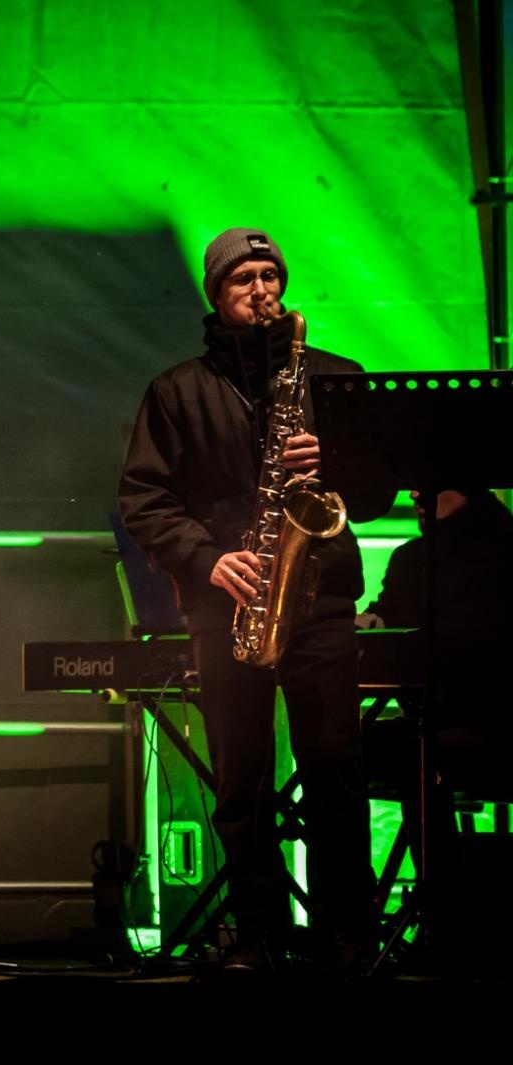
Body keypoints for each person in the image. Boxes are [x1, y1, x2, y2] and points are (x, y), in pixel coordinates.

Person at [118, 227, 376, 973]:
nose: (261, 290)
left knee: (334, 765)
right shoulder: (176, 390)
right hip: (228, 602)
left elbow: (383, 485)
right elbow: (145, 501)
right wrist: (208, 559)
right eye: (244, 279)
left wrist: (334, 462)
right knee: (241, 778)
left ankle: (346, 934)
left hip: (319, 596)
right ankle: (258, 933)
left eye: (270, 275)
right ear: (217, 294)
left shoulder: (334, 377)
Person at [359, 488, 513, 973]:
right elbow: (396, 621)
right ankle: (364, 921)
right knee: (350, 749)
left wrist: (395, 630)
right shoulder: (411, 558)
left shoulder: (502, 552)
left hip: (493, 723)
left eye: (432, 488)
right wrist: (373, 621)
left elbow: (479, 643)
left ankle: (444, 921)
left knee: (410, 752)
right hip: (435, 721)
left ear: (467, 489)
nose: (417, 496)